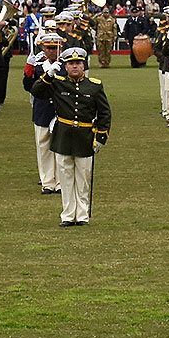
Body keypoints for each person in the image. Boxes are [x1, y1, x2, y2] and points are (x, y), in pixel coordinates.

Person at [30, 45, 110, 226]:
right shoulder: (57, 83)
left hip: (85, 136)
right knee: (65, 178)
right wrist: (48, 75)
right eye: (71, 63)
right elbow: (36, 91)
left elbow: (105, 113)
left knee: (82, 179)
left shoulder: (94, 86)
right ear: (65, 66)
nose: (75, 66)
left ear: (84, 66)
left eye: (78, 63)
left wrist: (101, 137)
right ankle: (67, 215)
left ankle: (81, 215)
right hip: (63, 136)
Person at [23, 31, 65, 195]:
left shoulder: (65, 66)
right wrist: (29, 70)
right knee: (43, 147)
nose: (51, 51)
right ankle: (48, 182)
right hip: (42, 111)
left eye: (54, 48)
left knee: (61, 149)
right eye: (48, 48)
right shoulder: (39, 66)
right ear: (43, 48)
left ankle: (61, 181)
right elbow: (29, 87)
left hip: (61, 111)